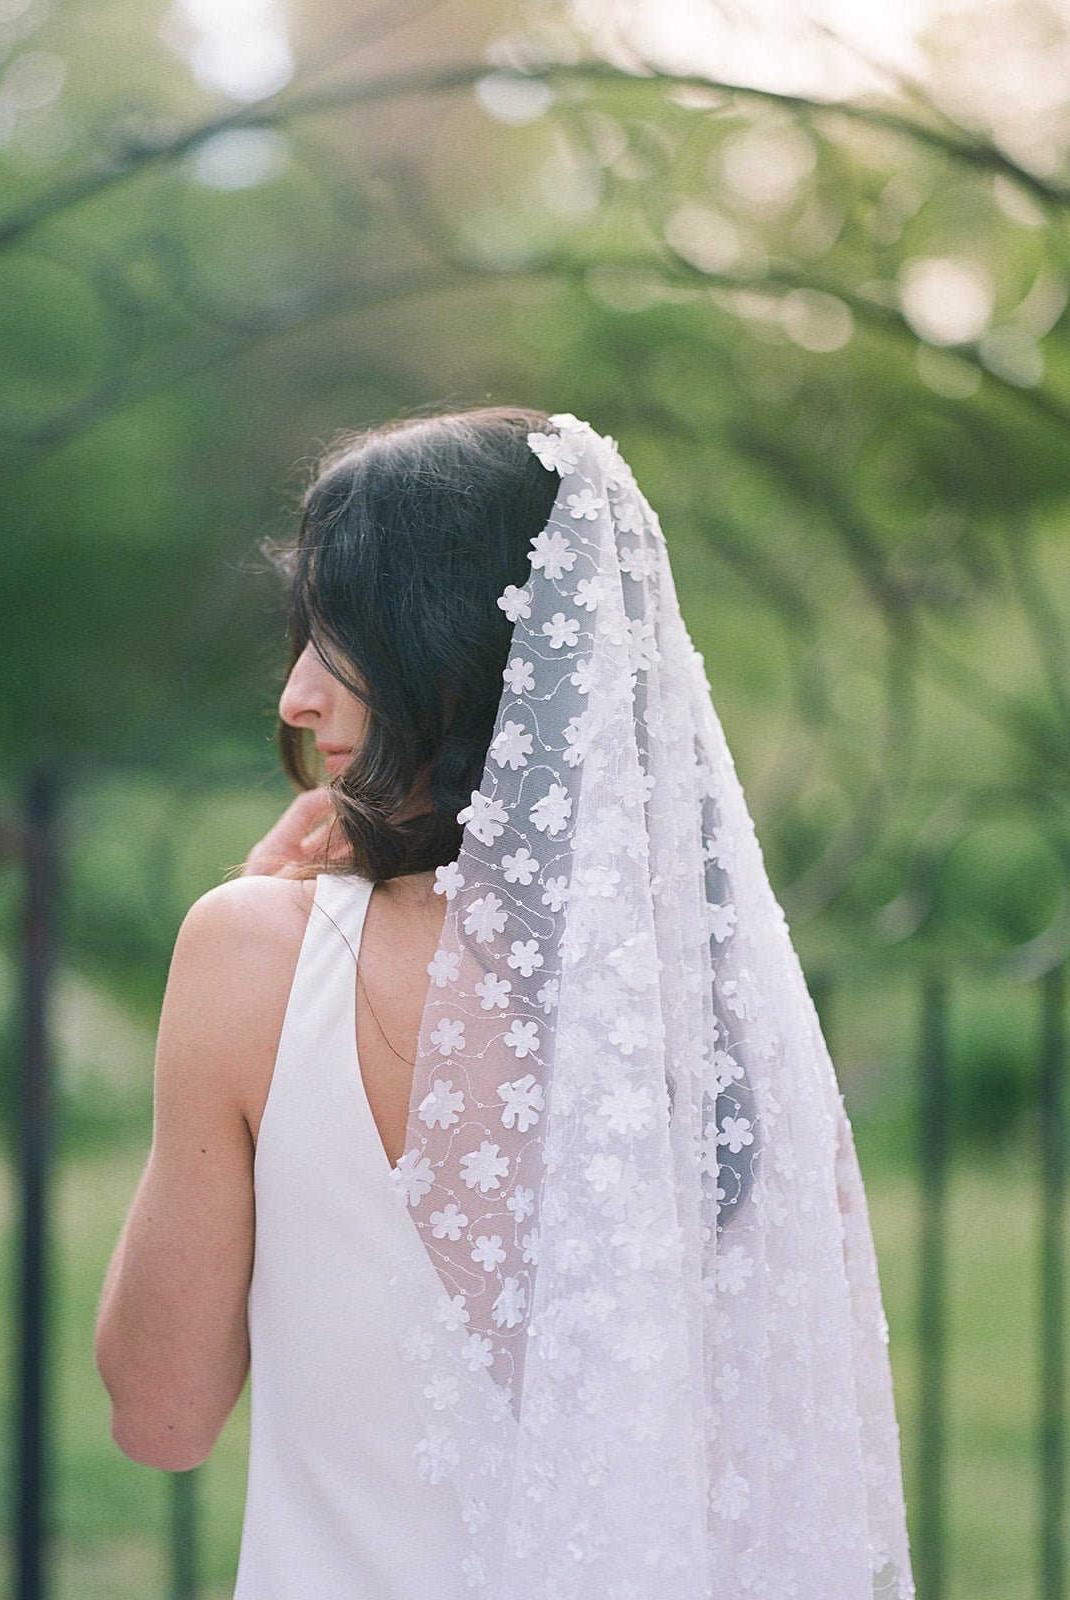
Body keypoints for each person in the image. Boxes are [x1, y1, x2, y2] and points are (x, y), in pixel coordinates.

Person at [96, 406, 914, 1600]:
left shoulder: (251, 955)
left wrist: (250, 932)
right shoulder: (719, 1009)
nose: (293, 695)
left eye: (336, 638)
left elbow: (158, 1416)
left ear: (451, 648)